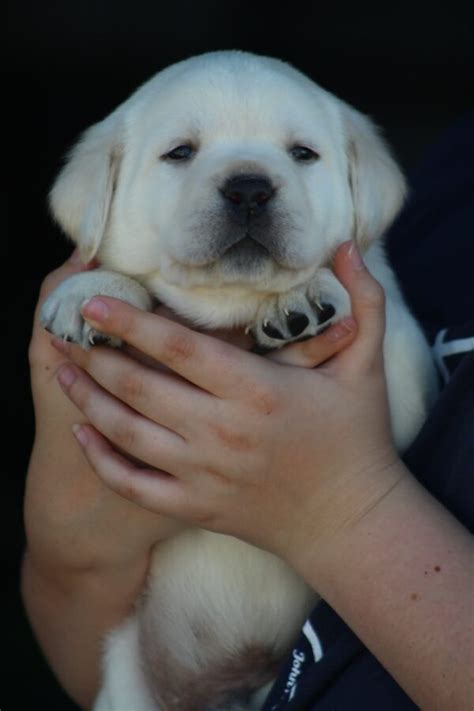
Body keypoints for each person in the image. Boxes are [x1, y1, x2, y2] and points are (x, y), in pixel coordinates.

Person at [22, 114, 474, 711]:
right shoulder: (451, 184)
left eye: (301, 151)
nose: (249, 188)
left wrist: (344, 512)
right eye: (181, 150)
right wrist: (73, 541)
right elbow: (83, 643)